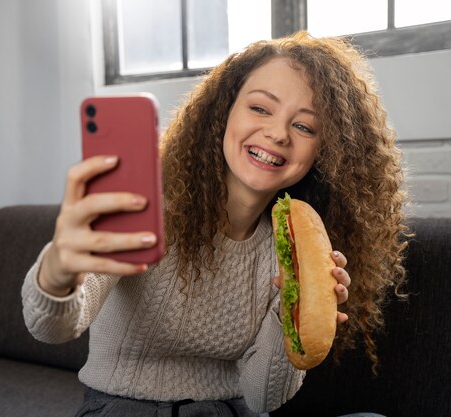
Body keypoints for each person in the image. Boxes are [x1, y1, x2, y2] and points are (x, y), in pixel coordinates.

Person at [21, 31, 408, 417]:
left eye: (304, 127)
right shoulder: (146, 208)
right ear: (224, 112)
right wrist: (59, 270)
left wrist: (290, 313)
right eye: (260, 108)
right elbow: (51, 329)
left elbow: (262, 398)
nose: (277, 134)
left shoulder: (295, 248)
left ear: (324, 152)